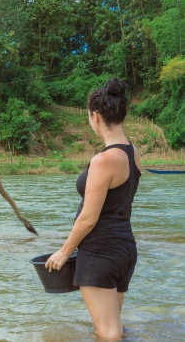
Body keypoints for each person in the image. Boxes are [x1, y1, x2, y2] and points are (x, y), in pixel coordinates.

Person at [45, 78, 141, 340]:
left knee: (109, 334)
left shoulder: (103, 160)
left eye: (89, 116)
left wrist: (65, 252)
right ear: (124, 113)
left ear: (95, 117)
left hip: (100, 251)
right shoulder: (133, 153)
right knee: (116, 328)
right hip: (124, 250)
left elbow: (89, 217)